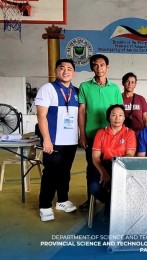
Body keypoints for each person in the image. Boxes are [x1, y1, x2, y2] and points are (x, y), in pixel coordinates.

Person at [78, 54, 123, 212]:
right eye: (95, 65)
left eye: (102, 65)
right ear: (91, 67)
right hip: (91, 135)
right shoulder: (84, 86)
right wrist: (82, 134)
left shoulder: (115, 88)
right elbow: (82, 111)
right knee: (92, 167)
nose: (99, 68)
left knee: (114, 167)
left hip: (112, 137)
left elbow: (119, 112)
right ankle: (90, 198)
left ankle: (113, 199)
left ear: (107, 67)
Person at [35, 59, 79, 222]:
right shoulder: (48, 89)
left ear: (73, 73)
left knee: (65, 172)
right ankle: (45, 205)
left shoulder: (76, 91)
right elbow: (41, 115)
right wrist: (46, 139)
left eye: (69, 68)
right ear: (56, 71)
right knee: (51, 173)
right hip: (53, 141)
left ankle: (62, 200)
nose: (66, 71)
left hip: (71, 141)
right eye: (62, 68)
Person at [91, 104, 136, 219]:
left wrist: (117, 170)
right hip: (104, 165)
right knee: (94, 188)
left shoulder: (129, 133)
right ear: (109, 117)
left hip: (122, 166)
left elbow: (130, 155)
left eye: (120, 115)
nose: (117, 118)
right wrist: (103, 173)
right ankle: (113, 205)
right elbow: (96, 157)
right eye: (114, 115)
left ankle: (110, 216)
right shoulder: (101, 133)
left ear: (124, 118)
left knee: (116, 186)